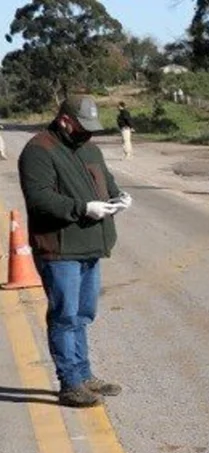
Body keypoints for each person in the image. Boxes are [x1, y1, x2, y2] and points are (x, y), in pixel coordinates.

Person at [17, 94, 131, 408]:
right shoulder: (39, 150)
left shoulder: (90, 148)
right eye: (82, 126)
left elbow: (106, 183)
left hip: (91, 244)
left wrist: (119, 198)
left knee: (83, 314)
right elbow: (39, 198)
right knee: (65, 316)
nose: (88, 133)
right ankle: (69, 382)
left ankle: (84, 374)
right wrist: (83, 208)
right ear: (65, 120)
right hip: (60, 248)